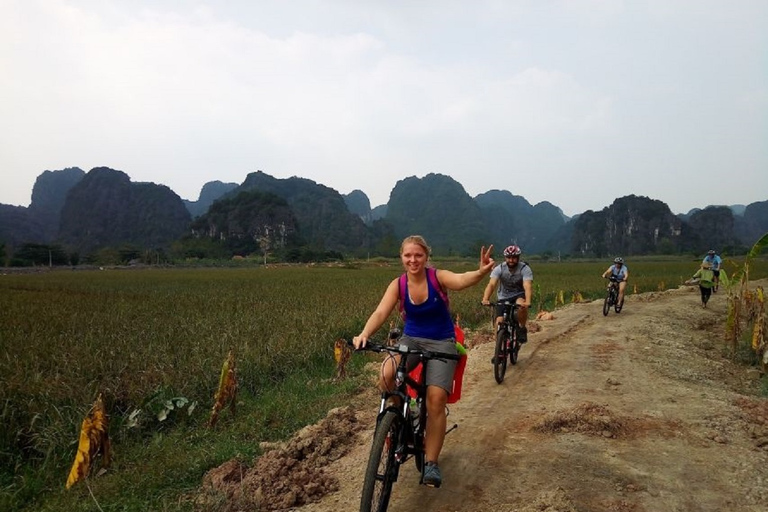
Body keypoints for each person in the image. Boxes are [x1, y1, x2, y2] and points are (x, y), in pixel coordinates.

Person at [353, 235, 495, 488]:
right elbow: (380, 312)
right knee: (387, 375)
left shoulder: (437, 278)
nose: (413, 260)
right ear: (401, 258)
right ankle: (398, 421)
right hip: (412, 340)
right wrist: (364, 334)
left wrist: (482, 272)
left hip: (442, 341)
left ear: (426, 257)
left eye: (418, 255)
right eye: (408, 255)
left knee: (436, 397)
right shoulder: (398, 284)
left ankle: (431, 463)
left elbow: (461, 280)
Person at [481, 244, 533, 343]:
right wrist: (485, 298)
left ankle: (521, 328)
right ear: (505, 258)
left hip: (519, 294)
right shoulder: (499, 268)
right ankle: (498, 350)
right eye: (508, 257)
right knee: (499, 321)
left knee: (521, 305)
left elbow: (527, 286)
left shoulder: (525, 269)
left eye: (514, 258)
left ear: (518, 258)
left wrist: (528, 302)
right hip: (503, 296)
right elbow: (491, 284)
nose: (511, 260)